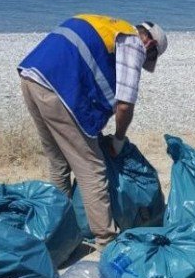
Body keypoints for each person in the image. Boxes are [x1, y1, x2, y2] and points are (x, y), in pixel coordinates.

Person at [18, 14, 167, 247]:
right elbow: (125, 104)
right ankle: (105, 240)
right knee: (92, 168)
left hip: (31, 76)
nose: (143, 61)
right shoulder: (133, 42)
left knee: (58, 162)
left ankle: (59, 229)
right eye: (149, 57)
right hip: (58, 89)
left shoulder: (106, 26)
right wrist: (118, 139)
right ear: (150, 44)